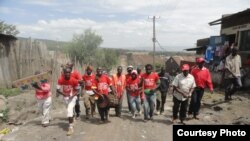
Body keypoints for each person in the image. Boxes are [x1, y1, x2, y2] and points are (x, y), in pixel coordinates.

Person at [57, 68, 80, 136]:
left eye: (69, 73)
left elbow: (78, 90)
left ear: (70, 73)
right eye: (66, 73)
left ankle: (70, 127)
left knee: (69, 110)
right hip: (65, 97)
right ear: (64, 73)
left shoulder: (74, 80)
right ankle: (72, 118)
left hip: (72, 97)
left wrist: (73, 95)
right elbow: (58, 89)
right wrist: (64, 94)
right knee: (69, 110)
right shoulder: (61, 79)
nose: (67, 74)